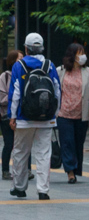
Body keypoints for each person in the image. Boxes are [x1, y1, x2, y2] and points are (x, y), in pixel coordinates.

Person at [9, 33, 59, 201]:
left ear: (26, 48)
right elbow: (57, 91)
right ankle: (43, 190)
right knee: (44, 154)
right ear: (42, 47)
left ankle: (20, 187)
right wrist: (54, 114)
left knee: (21, 153)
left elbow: (15, 93)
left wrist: (12, 116)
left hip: (24, 118)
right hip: (46, 119)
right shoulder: (50, 65)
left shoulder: (19, 66)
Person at [55, 43, 89, 184]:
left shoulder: (88, 72)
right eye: (79, 53)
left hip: (81, 114)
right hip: (63, 113)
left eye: (83, 52)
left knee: (78, 143)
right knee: (67, 143)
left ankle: (76, 168)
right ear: (72, 55)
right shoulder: (60, 71)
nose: (82, 56)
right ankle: (70, 172)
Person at [0, 51, 17, 182]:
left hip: (22, 115)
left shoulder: (24, 75)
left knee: (24, 144)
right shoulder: (4, 77)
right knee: (9, 143)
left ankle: (26, 170)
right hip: (6, 115)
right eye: (20, 58)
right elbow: (1, 98)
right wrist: (15, 98)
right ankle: (5, 170)